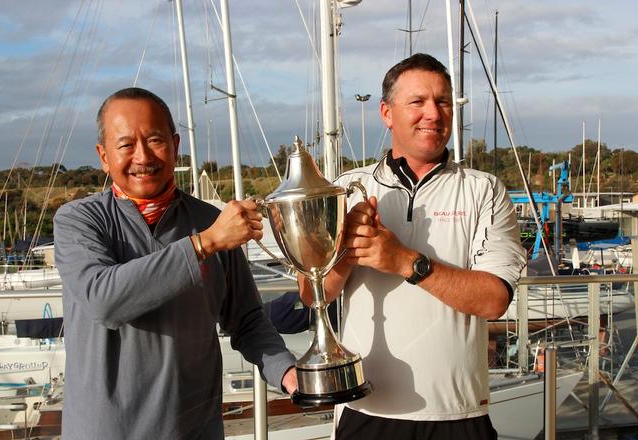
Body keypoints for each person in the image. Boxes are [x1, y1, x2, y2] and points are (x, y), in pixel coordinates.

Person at [299, 53, 526, 439]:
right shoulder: (347, 189)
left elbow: (494, 301)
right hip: (363, 412)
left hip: (459, 415)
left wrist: (406, 262)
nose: (434, 114)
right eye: (417, 102)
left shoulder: (485, 189)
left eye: (442, 102)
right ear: (387, 113)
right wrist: (345, 253)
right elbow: (311, 293)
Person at [54, 87, 297, 440]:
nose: (142, 156)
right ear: (103, 156)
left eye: (155, 140)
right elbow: (103, 300)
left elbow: (246, 319)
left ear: (175, 144)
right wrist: (206, 243)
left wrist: (286, 372)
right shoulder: (79, 220)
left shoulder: (209, 219)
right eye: (125, 145)